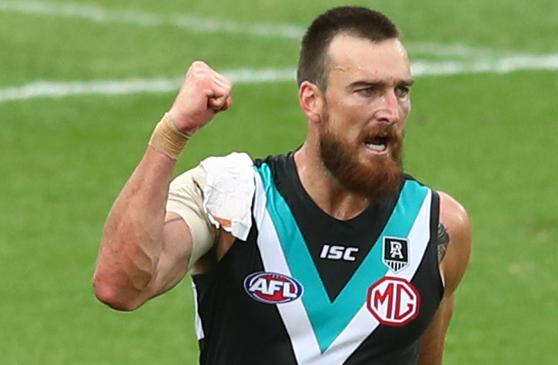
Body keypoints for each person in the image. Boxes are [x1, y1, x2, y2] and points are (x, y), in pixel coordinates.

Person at [93, 6, 471, 365]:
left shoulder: (436, 227)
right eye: (367, 90)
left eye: (401, 90)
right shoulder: (234, 198)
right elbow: (120, 286)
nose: (390, 111)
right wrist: (173, 133)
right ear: (312, 101)